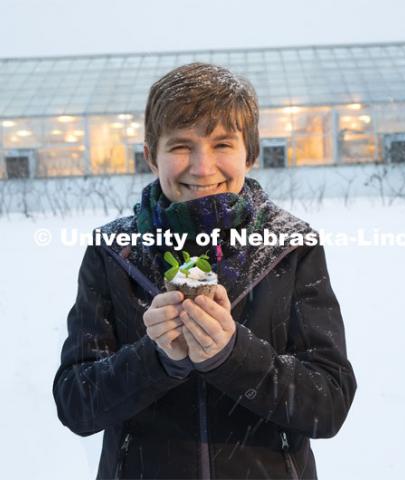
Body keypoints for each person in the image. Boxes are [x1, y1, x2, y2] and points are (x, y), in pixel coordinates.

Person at [53, 63, 357, 480]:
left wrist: (233, 355)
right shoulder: (113, 253)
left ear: (250, 153)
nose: (202, 166)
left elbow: (329, 404)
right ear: (150, 156)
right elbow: (76, 403)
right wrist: (156, 360)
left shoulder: (291, 247)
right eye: (180, 146)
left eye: (222, 144)